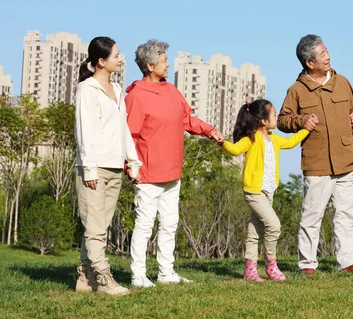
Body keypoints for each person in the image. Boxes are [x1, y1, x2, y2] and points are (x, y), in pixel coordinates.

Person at [125, 39, 224, 287]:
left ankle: (166, 272)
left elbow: (187, 119)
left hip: (172, 171)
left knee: (170, 224)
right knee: (144, 225)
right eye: (163, 60)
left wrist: (209, 130)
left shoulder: (171, 91)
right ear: (149, 65)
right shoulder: (136, 96)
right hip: (147, 174)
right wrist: (130, 166)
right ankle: (138, 275)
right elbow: (129, 136)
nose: (168, 63)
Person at [277, 34, 353, 275]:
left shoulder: (343, 82)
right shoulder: (297, 90)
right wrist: (301, 119)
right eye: (322, 54)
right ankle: (307, 264)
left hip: (347, 161)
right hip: (317, 162)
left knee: (345, 214)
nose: (328, 56)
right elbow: (281, 120)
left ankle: (347, 261)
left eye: (327, 51)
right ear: (309, 62)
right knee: (312, 214)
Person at [74, 36, 142, 296]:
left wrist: (132, 161)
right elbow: (84, 132)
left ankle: (84, 277)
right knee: (94, 226)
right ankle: (104, 279)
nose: (121, 58)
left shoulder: (116, 90)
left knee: (99, 226)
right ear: (101, 62)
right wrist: (89, 169)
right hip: (94, 167)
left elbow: (122, 129)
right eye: (116, 55)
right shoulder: (87, 89)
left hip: (114, 166)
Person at [220, 99, 312, 282]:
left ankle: (250, 270)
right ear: (263, 120)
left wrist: (306, 129)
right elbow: (235, 149)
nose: (277, 118)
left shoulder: (274, 139)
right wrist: (221, 141)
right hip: (254, 192)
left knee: (255, 232)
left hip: (268, 192)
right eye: (274, 115)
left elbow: (292, 141)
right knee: (274, 226)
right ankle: (271, 265)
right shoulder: (251, 139)